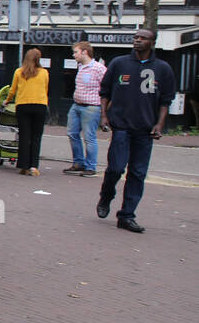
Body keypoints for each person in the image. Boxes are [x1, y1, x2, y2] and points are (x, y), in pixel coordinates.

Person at [96, 29, 176, 233]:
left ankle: (126, 216)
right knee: (115, 168)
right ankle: (106, 195)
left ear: (152, 43)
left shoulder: (163, 68)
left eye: (142, 38)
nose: (137, 40)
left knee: (138, 174)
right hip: (121, 126)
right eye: (135, 38)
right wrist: (104, 116)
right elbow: (104, 92)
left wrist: (159, 124)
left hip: (145, 129)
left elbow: (166, 101)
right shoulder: (119, 63)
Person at [65, 41, 107, 177]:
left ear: (85, 52)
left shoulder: (99, 68)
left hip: (91, 107)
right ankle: (78, 163)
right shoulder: (80, 66)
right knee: (72, 133)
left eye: (76, 52)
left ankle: (90, 166)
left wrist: (104, 111)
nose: (74, 55)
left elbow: (106, 88)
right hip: (76, 105)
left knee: (89, 137)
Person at [4, 48, 49, 176]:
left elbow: (12, 90)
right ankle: (34, 166)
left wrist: (7, 101)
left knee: (24, 136)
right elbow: (45, 89)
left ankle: (23, 166)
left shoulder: (19, 72)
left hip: (23, 105)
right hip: (40, 105)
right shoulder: (44, 72)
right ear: (38, 59)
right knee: (36, 137)